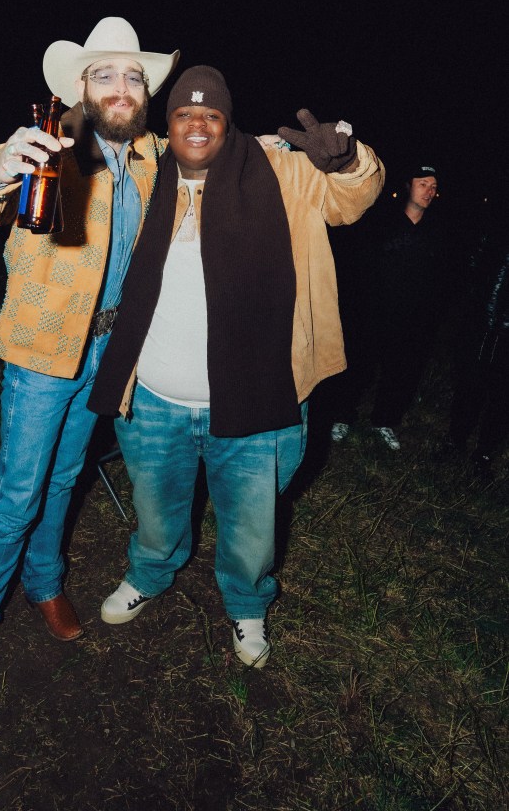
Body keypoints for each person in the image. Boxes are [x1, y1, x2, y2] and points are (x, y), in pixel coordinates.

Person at [88, 66, 384, 668]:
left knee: (252, 525)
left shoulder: (281, 171)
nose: (197, 124)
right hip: (153, 398)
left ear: (228, 123)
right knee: (155, 510)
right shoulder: (142, 175)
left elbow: (352, 198)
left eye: (211, 114)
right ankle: (149, 572)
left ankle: (247, 604)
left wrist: (349, 159)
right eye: (183, 114)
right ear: (167, 124)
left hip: (257, 396)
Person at [0, 17, 179, 701]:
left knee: (66, 479)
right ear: (81, 87)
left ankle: (43, 584)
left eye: (134, 77)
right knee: (17, 497)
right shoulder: (50, 146)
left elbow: (220, 145)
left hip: (108, 352)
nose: (122, 87)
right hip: (42, 353)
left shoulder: (152, 158)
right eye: (106, 74)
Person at [330, 164, 445, 451]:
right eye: (423, 184)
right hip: (374, 312)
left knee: (400, 372)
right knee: (358, 366)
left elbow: (440, 281)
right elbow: (359, 266)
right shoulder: (382, 223)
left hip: (410, 319)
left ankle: (384, 420)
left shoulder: (436, 232)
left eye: (433, 186)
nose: (429, 191)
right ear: (409, 186)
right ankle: (342, 416)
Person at [447, 211, 508, 477]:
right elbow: (474, 263)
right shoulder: (498, 222)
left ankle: (484, 452)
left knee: (502, 396)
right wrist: (472, 309)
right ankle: (455, 440)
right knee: (469, 385)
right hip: (481, 323)